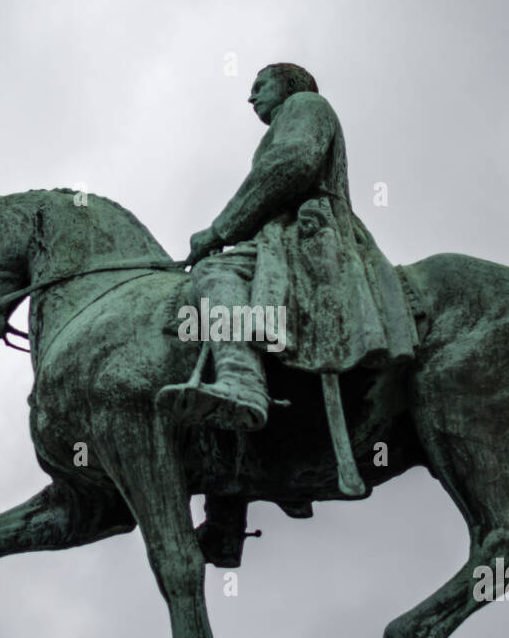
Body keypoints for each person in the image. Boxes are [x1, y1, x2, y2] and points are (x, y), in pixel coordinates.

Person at [158, 63, 418, 431]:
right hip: (285, 232)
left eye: (261, 85)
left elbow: (292, 162)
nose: (251, 96)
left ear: (288, 85)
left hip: (306, 231)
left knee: (216, 270)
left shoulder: (306, 103)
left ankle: (242, 381)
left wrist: (219, 231)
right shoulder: (291, 115)